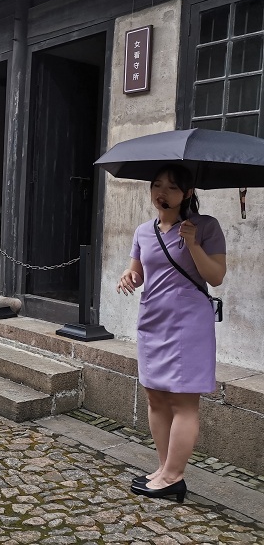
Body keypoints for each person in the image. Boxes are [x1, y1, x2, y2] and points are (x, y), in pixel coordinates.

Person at [117, 164, 226, 503]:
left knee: (183, 401)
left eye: (172, 187)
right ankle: (164, 468)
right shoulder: (143, 231)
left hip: (188, 324)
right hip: (153, 320)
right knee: (155, 396)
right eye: (156, 185)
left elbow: (216, 276)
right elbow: (139, 272)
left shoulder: (206, 227)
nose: (161, 192)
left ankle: (174, 476)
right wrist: (128, 276)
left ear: (188, 193)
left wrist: (192, 244)